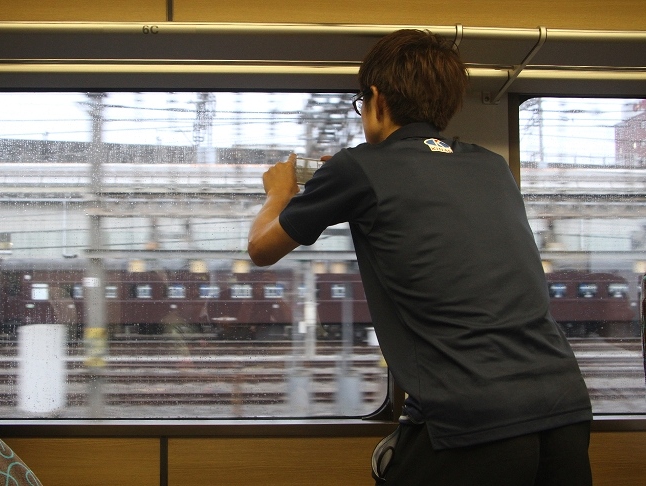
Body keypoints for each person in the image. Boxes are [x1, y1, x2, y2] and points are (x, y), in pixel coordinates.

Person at [247, 29, 592, 485]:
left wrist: (279, 194)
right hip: (564, 407)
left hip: (471, 419)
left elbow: (262, 248)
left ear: (376, 98)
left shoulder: (358, 167)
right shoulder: (490, 165)